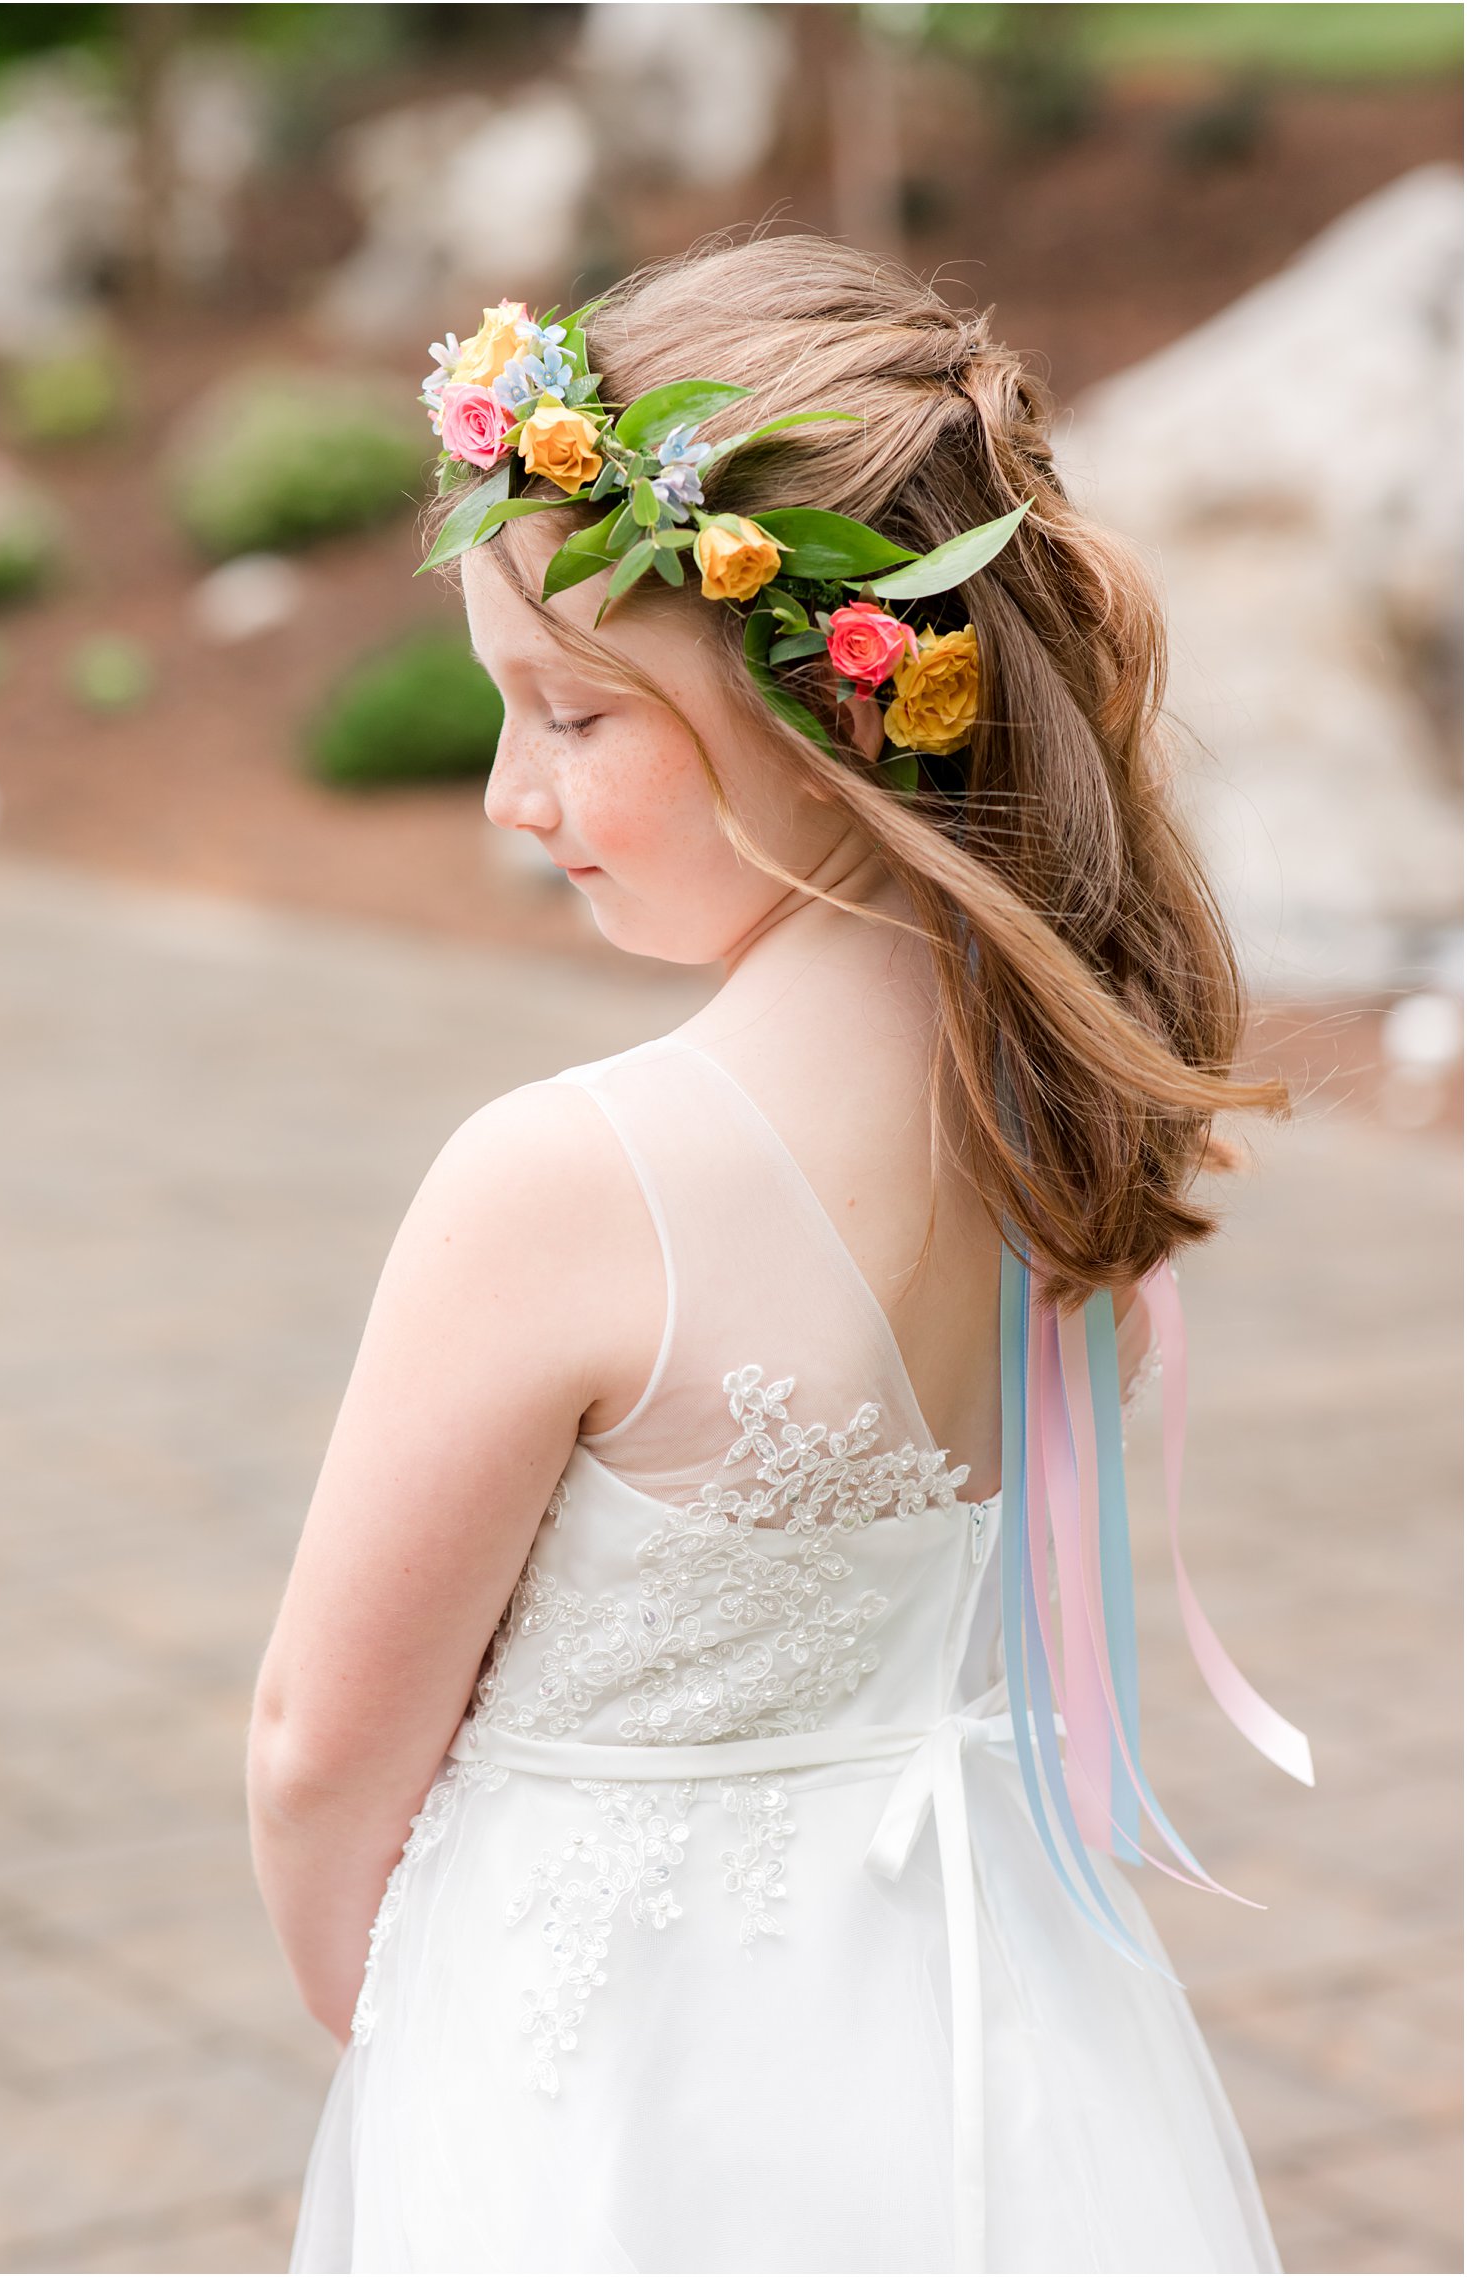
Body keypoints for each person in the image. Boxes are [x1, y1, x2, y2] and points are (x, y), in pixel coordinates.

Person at [251, 234, 1311, 2274]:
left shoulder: (573, 1176)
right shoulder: (1062, 1100)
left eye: (572, 712)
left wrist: (383, 2008)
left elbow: (320, 1735)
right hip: (974, 2014)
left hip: (620, 2068)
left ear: (817, 694)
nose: (505, 791)